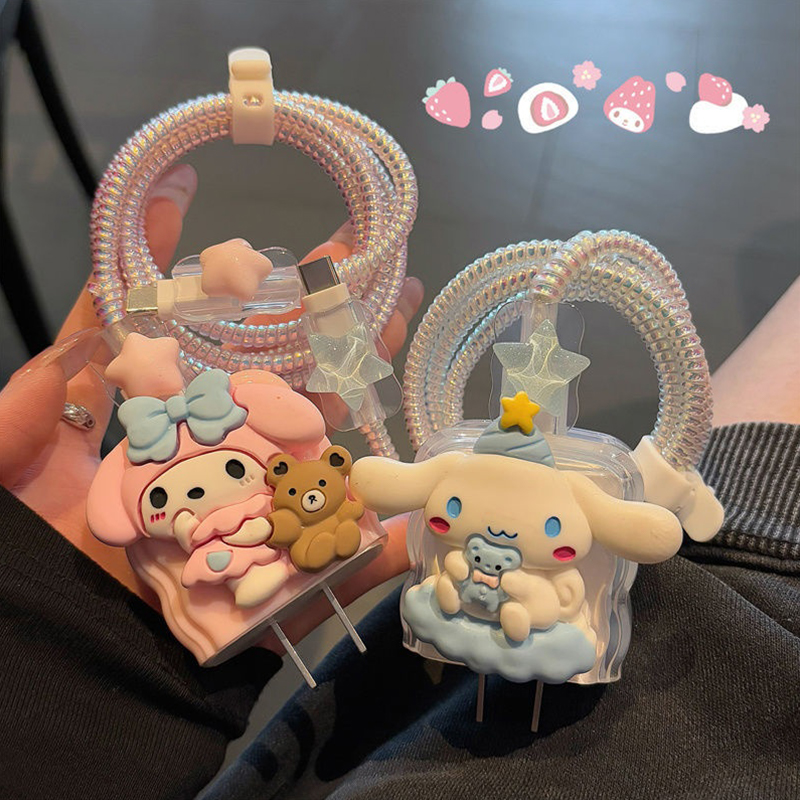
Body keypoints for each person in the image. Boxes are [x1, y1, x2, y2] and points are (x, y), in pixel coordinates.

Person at [0, 166, 797, 800]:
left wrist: (68, 636)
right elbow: (121, 518)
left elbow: (308, 441)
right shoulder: (163, 459)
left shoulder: (235, 423)